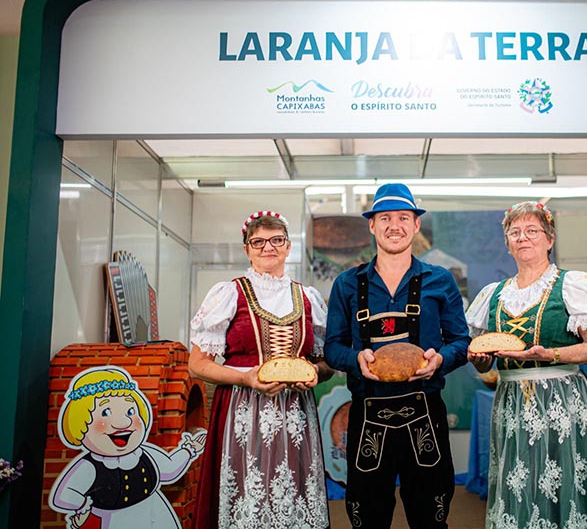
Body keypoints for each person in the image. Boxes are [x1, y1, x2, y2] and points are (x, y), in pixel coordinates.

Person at [465, 201, 587, 528]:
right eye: (515, 232)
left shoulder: (572, 285)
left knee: (565, 482)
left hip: (562, 399)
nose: (523, 237)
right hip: (511, 402)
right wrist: (481, 363)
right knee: (519, 482)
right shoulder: (493, 295)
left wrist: (550, 355)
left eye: (532, 231)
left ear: (550, 239)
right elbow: (484, 366)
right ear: (507, 244)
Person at [324, 183, 470, 529]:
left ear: (416, 225)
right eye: (385, 218)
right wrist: (355, 360)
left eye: (403, 217)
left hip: (425, 414)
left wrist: (440, 359)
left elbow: (461, 342)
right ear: (372, 225)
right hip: (368, 416)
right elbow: (332, 348)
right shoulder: (347, 284)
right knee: (367, 518)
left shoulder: (440, 280)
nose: (394, 225)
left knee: (430, 518)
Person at [188, 210, 333, 529]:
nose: (268, 247)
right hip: (242, 412)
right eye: (258, 242)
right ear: (247, 249)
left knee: (292, 495)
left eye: (276, 240)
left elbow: (327, 364)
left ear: (288, 246)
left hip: (296, 416)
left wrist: (313, 373)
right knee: (247, 493)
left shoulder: (308, 298)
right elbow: (197, 365)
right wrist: (245, 377)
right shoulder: (229, 293)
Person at [49, 366, 206, 529]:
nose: (124, 422)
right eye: (105, 413)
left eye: (131, 411)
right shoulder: (89, 466)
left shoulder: (145, 454)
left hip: (154, 515)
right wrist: (83, 506)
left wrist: (189, 450)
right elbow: (63, 496)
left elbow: (169, 470)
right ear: (80, 424)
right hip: (112, 521)